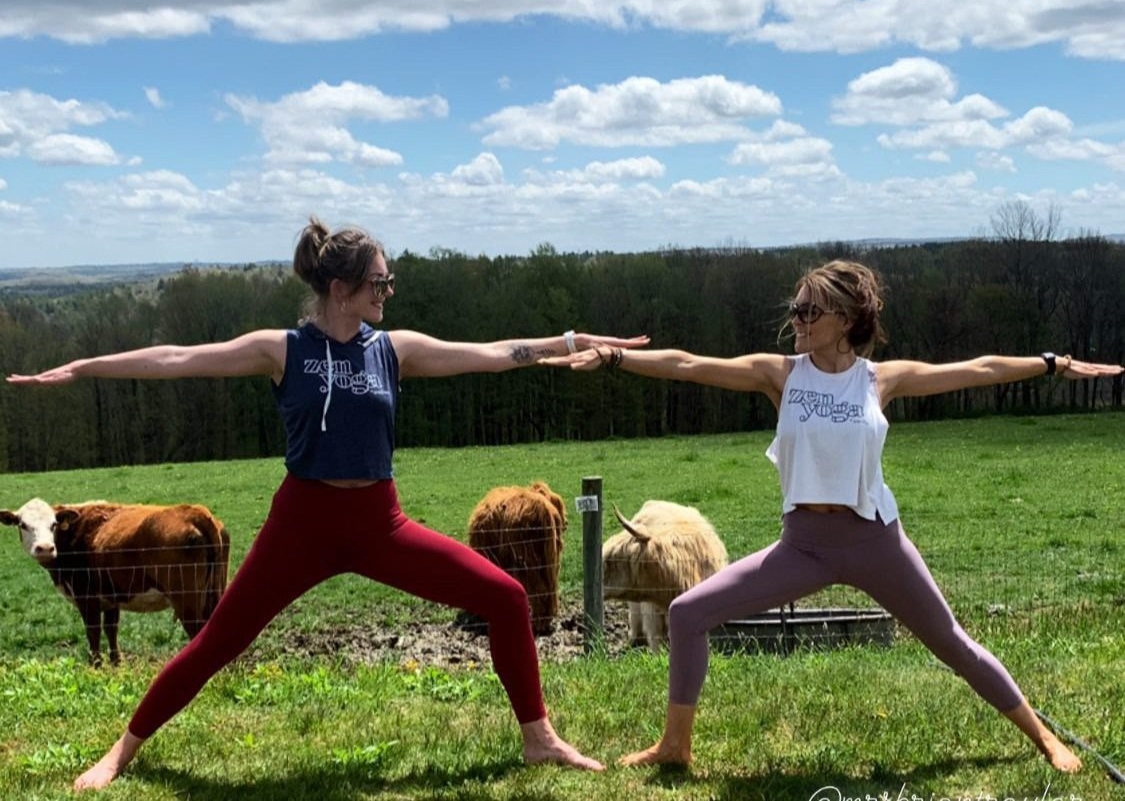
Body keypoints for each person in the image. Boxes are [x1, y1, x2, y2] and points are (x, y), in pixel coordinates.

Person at [7, 217, 648, 791]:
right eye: (378, 281)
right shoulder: (283, 348)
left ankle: (540, 740)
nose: (386, 291)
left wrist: (568, 341)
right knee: (215, 643)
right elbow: (178, 358)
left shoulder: (392, 349)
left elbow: (494, 356)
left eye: (388, 282)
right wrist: (85, 366)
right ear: (340, 288)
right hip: (302, 528)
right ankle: (122, 750)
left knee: (506, 597)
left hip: (380, 524)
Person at [542, 258, 1122, 774]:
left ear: (845, 319)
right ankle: (674, 746)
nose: (797, 319)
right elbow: (690, 364)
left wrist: (1052, 363)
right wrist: (618, 358)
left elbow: (981, 369)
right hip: (803, 546)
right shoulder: (782, 375)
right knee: (688, 612)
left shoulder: (879, 380)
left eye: (809, 309)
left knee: (951, 641)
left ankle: (1042, 736)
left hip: (876, 541)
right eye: (794, 308)